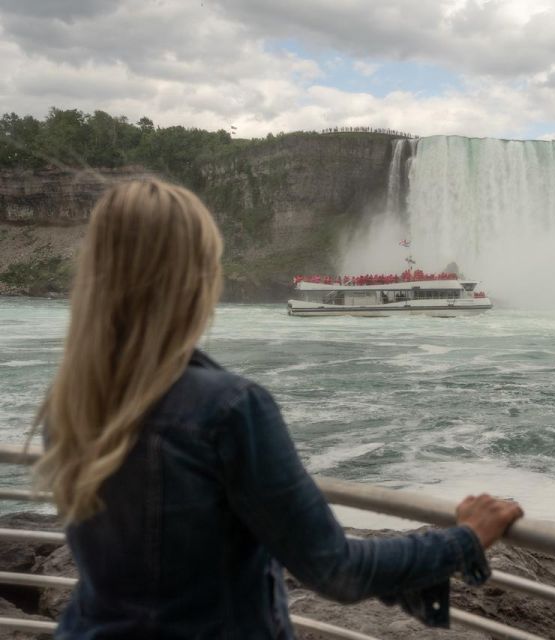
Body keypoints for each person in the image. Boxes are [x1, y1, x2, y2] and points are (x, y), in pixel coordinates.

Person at [31, 179, 523, 638]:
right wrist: (464, 540)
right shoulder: (228, 408)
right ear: (193, 281)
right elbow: (337, 569)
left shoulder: (70, 402)